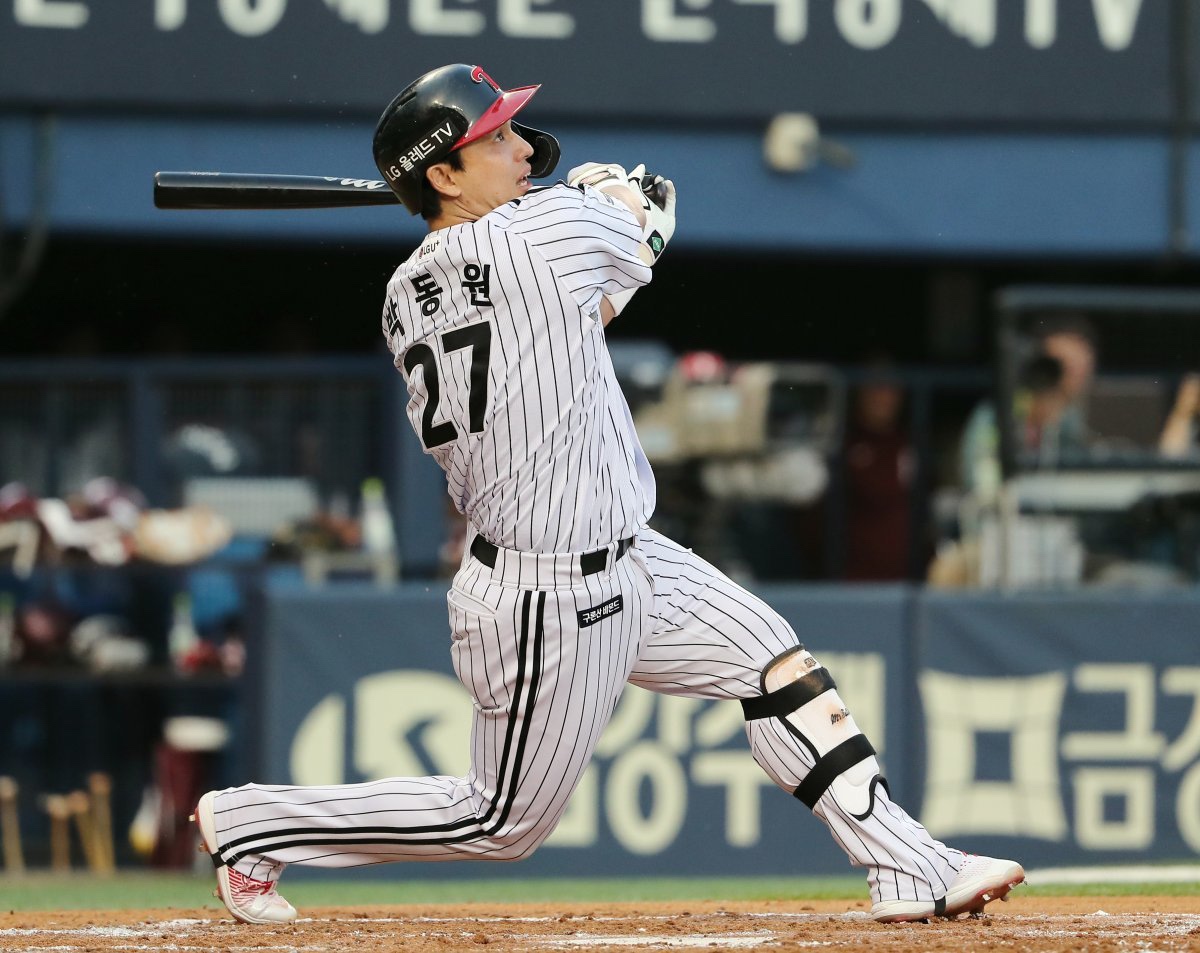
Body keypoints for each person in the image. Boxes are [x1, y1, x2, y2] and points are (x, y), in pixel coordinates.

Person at [190, 63, 1023, 926]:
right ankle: (254, 824)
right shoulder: (538, 232)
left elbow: (579, 320)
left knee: (773, 663)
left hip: (630, 552)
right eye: (497, 138)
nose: (523, 149)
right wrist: (625, 196)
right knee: (499, 822)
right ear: (443, 173)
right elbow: (639, 223)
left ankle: (908, 862)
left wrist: (611, 219)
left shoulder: (408, 293)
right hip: (544, 587)